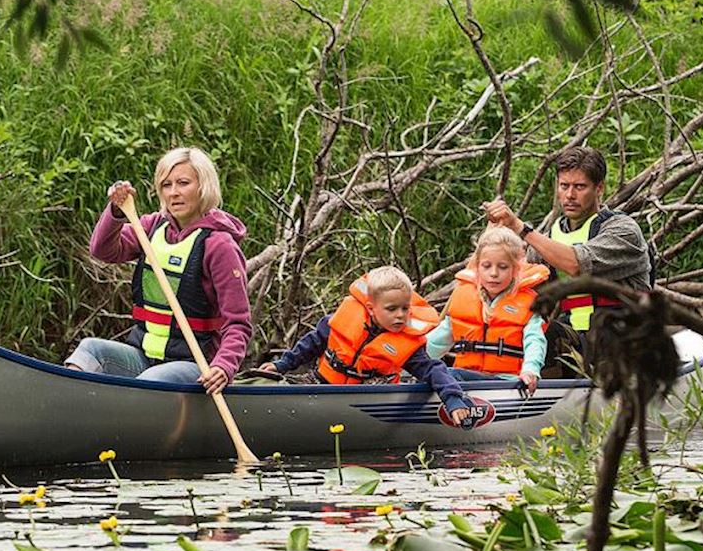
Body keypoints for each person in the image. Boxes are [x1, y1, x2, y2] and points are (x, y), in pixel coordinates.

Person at [64, 147, 252, 395]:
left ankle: (121, 418)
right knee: (90, 349)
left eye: (183, 183)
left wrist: (224, 367)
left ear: (203, 186)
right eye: (166, 185)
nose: (174, 192)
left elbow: (238, 324)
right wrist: (117, 213)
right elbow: (102, 251)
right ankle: (70, 406)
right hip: (145, 355)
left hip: (194, 366)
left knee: (148, 382)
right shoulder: (152, 227)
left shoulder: (219, 246)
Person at [258, 266, 476, 425]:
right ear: (371, 308)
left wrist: (453, 399)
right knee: (266, 382)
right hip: (323, 385)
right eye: (391, 309)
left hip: (366, 398)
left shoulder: (408, 345)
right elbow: (310, 345)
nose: (400, 316)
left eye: (405, 308)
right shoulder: (340, 321)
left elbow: (434, 369)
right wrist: (282, 365)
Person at [483, 145, 651, 343]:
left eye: (580, 187)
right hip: (575, 336)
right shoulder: (552, 238)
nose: (570, 195)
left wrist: (520, 227)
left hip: (624, 336)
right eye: (564, 186)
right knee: (526, 329)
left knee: (549, 335)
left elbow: (576, 264)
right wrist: (492, 233)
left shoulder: (623, 231)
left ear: (599, 188)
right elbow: (512, 279)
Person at [426, 226, 549, 393]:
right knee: (442, 373)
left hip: (507, 381)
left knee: (448, 374)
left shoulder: (528, 303)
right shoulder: (463, 298)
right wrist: (408, 363)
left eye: (503, 267)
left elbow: (535, 341)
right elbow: (436, 341)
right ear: (477, 267)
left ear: (515, 269)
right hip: (466, 377)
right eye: (486, 266)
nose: (494, 273)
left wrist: (531, 370)